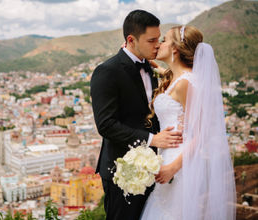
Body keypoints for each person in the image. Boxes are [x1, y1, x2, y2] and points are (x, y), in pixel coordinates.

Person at [90, 10, 183, 220]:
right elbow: (106, 125)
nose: (157, 45)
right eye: (151, 40)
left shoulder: (150, 66)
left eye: (158, 39)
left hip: (154, 168)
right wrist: (152, 139)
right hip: (122, 170)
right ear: (131, 40)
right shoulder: (107, 71)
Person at [140, 25, 236, 220]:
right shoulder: (177, 78)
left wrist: (172, 168)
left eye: (164, 40)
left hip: (179, 161)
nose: (159, 44)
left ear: (175, 48)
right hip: (169, 155)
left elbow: (201, 134)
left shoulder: (186, 83)